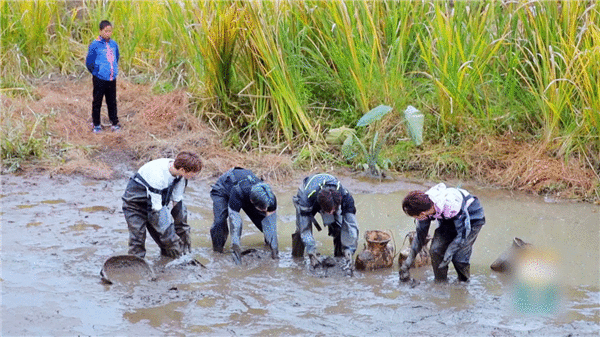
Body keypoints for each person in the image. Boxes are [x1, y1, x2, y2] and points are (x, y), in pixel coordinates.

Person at [399, 183, 485, 283]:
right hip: (447, 219)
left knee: (459, 258)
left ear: (421, 214)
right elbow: (420, 237)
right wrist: (407, 264)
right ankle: (440, 282)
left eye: (415, 217)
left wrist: (449, 253)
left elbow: (463, 234)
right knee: (435, 250)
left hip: (472, 219)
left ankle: (464, 282)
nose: (416, 219)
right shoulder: (423, 208)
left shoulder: (450, 205)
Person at [122, 151, 202, 259]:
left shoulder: (181, 176)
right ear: (183, 170)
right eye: (193, 173)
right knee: (138, 239)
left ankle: (167, 265)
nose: (194, 176)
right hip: (135, 205)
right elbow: (157, 210)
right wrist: (171, 237)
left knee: (166, 243)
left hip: (157, 203)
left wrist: (183, 231)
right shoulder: (157, 175)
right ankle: (136, 267)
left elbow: (177, 201)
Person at [210, 167, 278, 264]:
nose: (265, 211)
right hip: (223, 189)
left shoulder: (270, 198)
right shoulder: (238, 192)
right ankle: (218, 253)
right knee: (219, 222)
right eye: (263, 208)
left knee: (266, 226)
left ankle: (269, 249)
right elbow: (235, 226)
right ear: (251, 202)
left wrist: (275, 255)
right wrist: (237, 257)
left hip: (250, 192)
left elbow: (271, 226)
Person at [292, 173, 359, 270]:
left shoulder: (345, 197)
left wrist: (350, 249)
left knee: (339, 227)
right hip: (309, 198)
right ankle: (297, 259)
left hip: (331, 201)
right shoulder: (305, 198)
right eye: (329, 211)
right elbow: (305, 230)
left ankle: (340, 258)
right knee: (300, 232)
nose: (331, 213)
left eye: (333, 210)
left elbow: (351, 225)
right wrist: (312, 251)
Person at [86, 20, 120, 133]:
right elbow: (89, 62)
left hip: (111, 78)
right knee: (97, 101)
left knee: (112, 101)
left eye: (110, 31)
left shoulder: (113, 44)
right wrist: (97, 72)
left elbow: (117, 57)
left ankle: (114, 123)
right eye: (106, 31)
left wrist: (113, 70)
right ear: (100, 31)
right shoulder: (95, 45)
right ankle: (96, 124)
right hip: (99, 78)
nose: (108, 33)